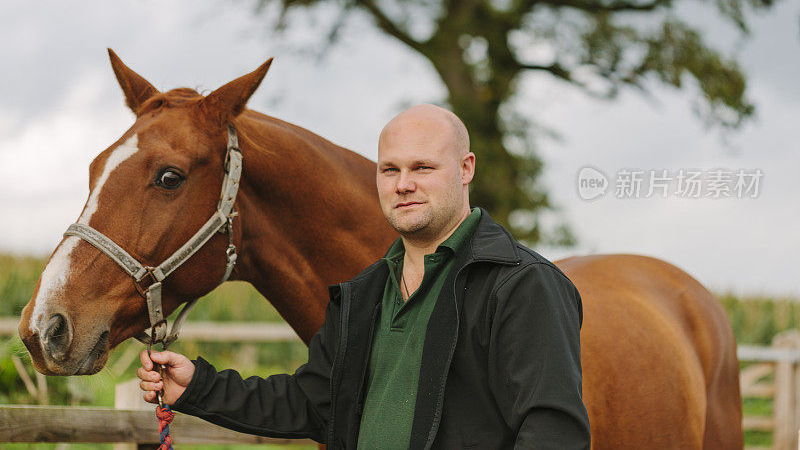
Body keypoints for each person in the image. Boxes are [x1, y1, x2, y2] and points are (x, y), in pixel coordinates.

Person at [137, 104, 591, 449]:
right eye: (390, 169)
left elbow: (554, 432)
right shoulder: (363, 293)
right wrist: (198, 386)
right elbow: (310, 402)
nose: (402, 184)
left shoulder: (523, 285)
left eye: (423, 168)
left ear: (465, 168)